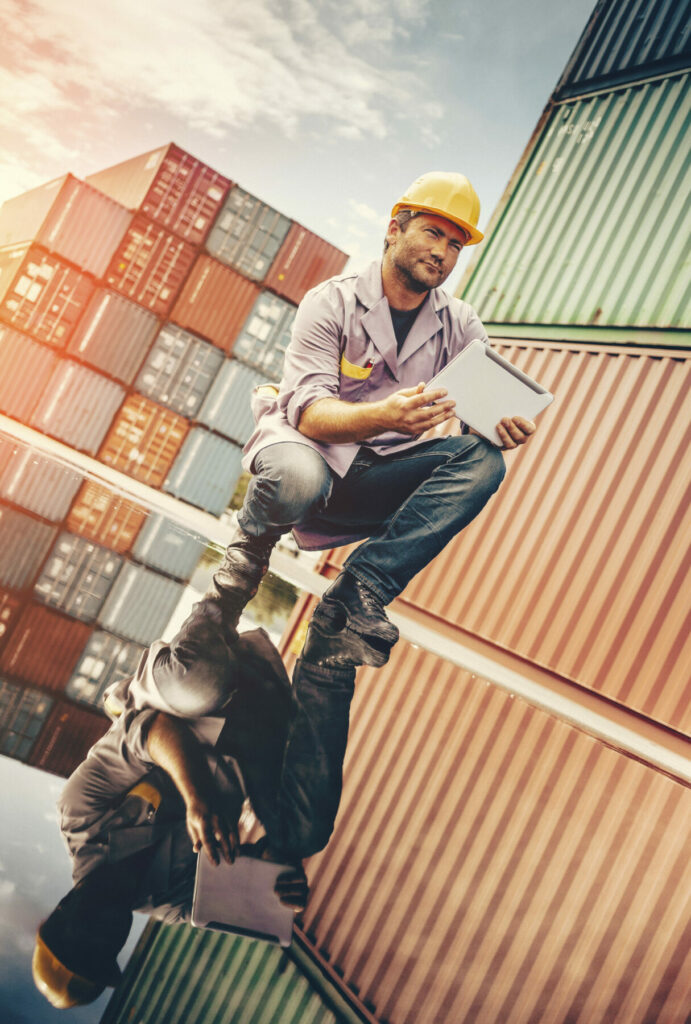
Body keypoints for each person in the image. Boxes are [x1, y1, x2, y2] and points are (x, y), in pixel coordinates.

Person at [207, 172, 538, 666]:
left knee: (484, 462)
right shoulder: (330, 301)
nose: (442, 252)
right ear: (393, 230)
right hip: (307, 454)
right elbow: (312, 415)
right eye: (432, 233)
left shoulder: (461, 325)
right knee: (298, 475)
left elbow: (474, 418)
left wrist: (495, 427)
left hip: (373, 475)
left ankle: (358, 592)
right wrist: (383, 415)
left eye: (455, 244)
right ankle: (247, 555)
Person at [32, 612, 355, 1010]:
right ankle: (333, 655)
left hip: (192, 688)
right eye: (105, 953)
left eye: (86, 939)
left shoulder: (80, 814)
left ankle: (230, 583)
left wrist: (195, 798)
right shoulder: (174, 903)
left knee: (195, 686)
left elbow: (151, 729)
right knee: (305, 835)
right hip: (253, 732)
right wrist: (281, 881)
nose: (106, 938)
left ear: (62, 910)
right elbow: (264, 865)